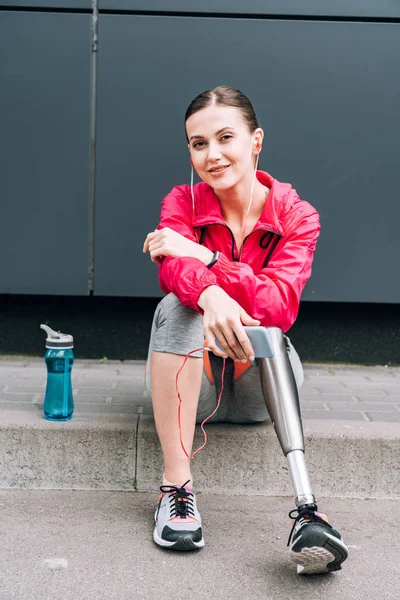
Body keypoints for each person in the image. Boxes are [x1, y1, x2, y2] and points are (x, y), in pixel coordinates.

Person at [143, 86, 348, 574]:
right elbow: (171, 270)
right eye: (197, 144)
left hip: (261, 381)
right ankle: (177, 490)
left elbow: (279, 306)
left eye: (224, 138)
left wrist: (208, 257)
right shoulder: (182, 200)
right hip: (198, 382)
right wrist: (210, 294)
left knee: (270, 330)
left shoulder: (298, 215)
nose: (211, 155)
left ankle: (308, 511)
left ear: (256, 141)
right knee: (177, 308)